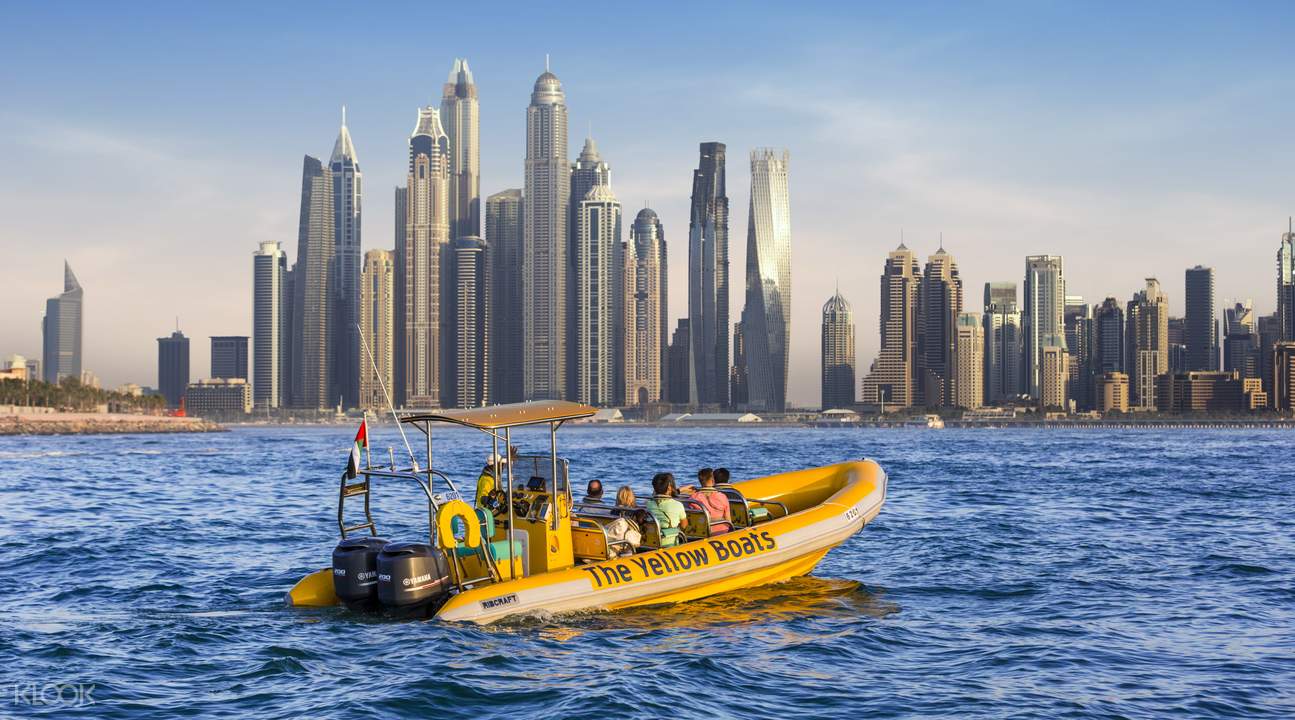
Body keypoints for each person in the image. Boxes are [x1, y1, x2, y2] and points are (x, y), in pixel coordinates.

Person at [684, 467, 732, 534]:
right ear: (713, 480)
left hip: (700, 532)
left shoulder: (693, 498)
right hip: (720, 532)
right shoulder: (722, 497)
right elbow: (728, 520)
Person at [646, 473, 687, 547]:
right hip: (669, 543)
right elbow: (684, 525)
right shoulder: (678, 505)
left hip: (651, 542)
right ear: (669, 487)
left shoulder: (648, 504)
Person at [604, 491, 643, 556]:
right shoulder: (633, 512)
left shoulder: (613, 511)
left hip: (613, 541)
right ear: (632, 498)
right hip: (626, 543)